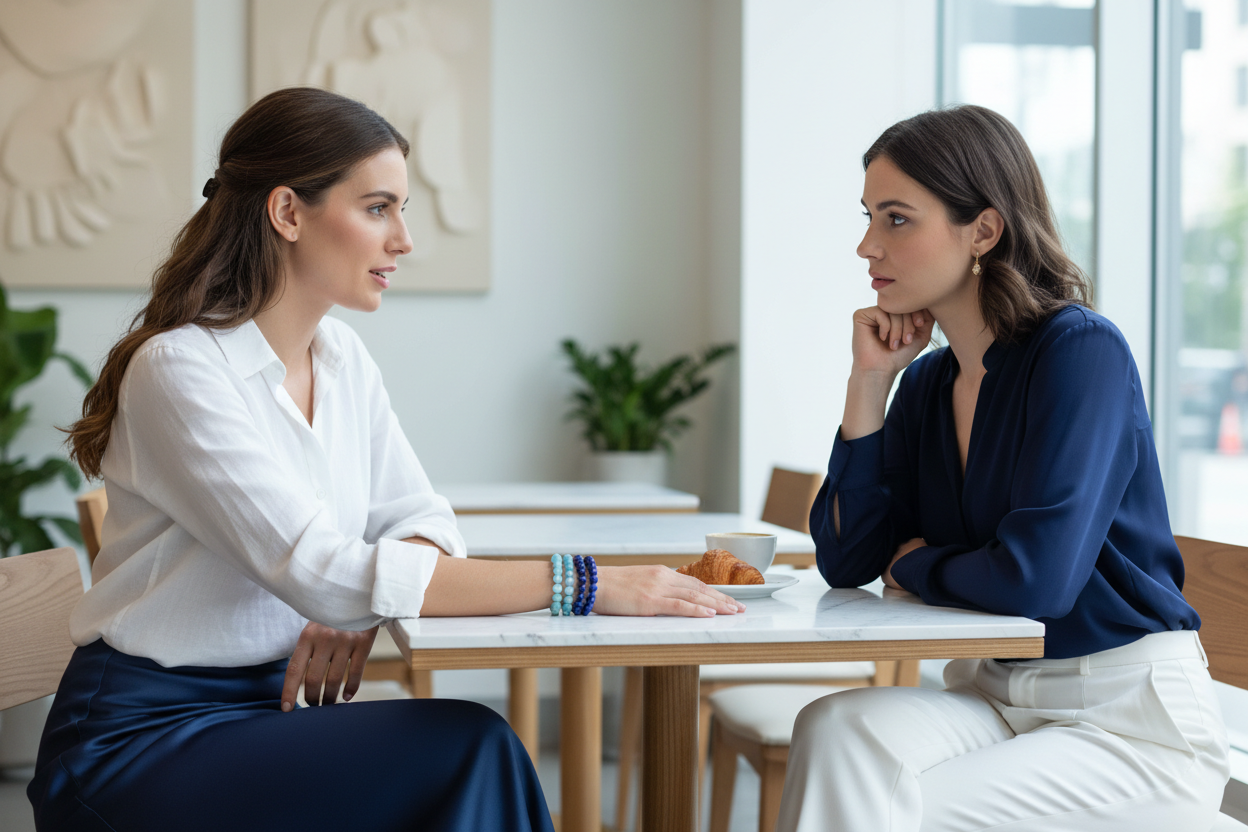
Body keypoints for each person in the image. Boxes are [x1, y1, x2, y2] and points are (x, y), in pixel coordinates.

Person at [30, 87, 744, 832]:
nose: (403, 239)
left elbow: (420, 518)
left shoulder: (341, 358)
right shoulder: (179, 371)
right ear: (288, 213)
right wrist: (584, 582)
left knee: (470, 749)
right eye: (378, 208)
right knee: (472, 748)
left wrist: (362, 595)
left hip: (268, 715)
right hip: (137, 744)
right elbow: (319, 571)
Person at [776, 106, 1230, 831]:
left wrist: (918, 566)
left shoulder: (1080, 353)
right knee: (836, 729)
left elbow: (1037, 580)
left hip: (1128, 723)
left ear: (983, 231)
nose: (867, 245)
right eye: (868, 217)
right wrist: (869, 384)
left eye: (896, 219)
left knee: (897, 810)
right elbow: (847, 557)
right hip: (995, 695)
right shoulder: (926, 385)